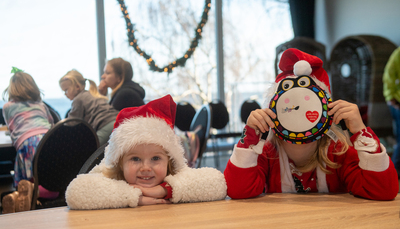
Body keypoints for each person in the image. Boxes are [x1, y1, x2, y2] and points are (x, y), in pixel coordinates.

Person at [224, 48, 399, 201]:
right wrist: (250, 139)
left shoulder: (339, 151)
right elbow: (237, 191)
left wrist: (361, 132)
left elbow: (384, 190)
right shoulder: (266, 153)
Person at [65, 94, 227, 209]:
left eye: (155, 158)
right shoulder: (109, 171)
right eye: (135, 159)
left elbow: (217, 183)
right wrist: (132, 196)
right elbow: (75, 192)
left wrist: (165, 190)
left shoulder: (174, 173)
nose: (145, 167)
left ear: (169, 160)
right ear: (120, 163)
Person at [1, 68, 57, 213]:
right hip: (47, 140)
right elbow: (51, 124)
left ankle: (19, 195)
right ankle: (36, 193)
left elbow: (12, 129)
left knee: (25, 180)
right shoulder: (41, 105)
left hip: (27, 143)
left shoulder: (7, 107)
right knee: (49, 179)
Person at [59, 69, 119, 145]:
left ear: (77, 86)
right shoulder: (92, 94)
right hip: (117, 120)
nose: (65, 94)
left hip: (105, 125)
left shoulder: (78, 99)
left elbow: (71, 122)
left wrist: (60, 130)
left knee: (92, 151)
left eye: (66, 90)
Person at [383, 46, 400, 178]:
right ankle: (395, 172)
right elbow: (388, 75)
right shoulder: (398, 53)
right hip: (398, 102)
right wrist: (391, 98)